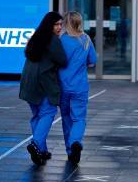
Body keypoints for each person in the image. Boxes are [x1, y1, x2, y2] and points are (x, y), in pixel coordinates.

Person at [19, 11, 67, 165]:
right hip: (43, 83)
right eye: (56, 24)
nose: (59, 27)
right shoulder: (53, 40)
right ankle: (36, 144)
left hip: (28, 83)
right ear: (49, 25)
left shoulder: (35, 38)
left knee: (37, 116)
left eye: (61, 24)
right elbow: (63, 60)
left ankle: (42, 150)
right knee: (48, 112)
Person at [58, 11, 97, 164]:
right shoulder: (86, 39)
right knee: (79, 118)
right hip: (80, 86)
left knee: (66, 118)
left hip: (63, 86)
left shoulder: (62, 40)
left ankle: (70, 150)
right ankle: (76, 142)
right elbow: (93, 61)